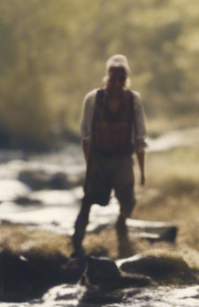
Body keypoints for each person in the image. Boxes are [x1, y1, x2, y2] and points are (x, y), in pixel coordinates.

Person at [71, 54, 147, 258]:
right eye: (113, 78)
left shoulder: (133, 100)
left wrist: (142, 172)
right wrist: (89, 168)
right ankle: (76, 245)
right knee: (89, 201)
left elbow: (140, 137)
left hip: (123, 160)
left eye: (121, 79)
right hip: (99, 159)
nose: (116, 83)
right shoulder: (93, 99)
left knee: (128, 202)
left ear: (127, 79)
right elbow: (86, 135)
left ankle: (121, 229)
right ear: (106, 77)